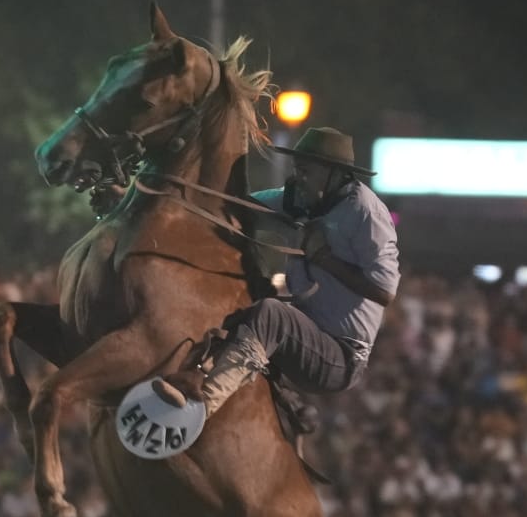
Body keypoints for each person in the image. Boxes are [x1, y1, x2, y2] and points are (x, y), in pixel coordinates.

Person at [153, 127, 401, 415]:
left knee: (272, 314)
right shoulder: (298, 199)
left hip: (341, 356)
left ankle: (201, 408)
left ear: (334, 174)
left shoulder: (366, 213)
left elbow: (385, 291)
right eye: (298, 169)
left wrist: (323, 259)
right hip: (303, 330)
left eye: (306, 171)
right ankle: (192, 376)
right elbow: (234, 208)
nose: (299, 177)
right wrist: (160, 199)